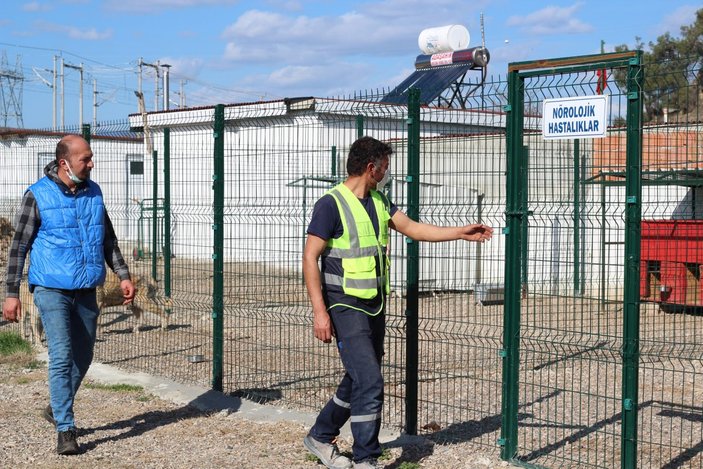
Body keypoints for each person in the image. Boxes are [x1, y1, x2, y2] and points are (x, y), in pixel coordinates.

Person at [302, 136, 493, 468]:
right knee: (372, 380)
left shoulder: (379, 201)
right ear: (371, 167)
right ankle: (366, 459)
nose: (387, 173)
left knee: (361, 375)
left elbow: (414, 229)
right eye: (386, 167)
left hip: (373, 303)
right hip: (343, 305)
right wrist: (319, 311)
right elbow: (309, 258)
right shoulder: (330, 204)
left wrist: (460, 232)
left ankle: (320, 435)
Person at [2, 134, 136, 455]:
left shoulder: (94, 193)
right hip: (51, 288)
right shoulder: (37, 195)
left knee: (84, 354)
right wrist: (11, 293)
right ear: (65, 163)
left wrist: (123, 275)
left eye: (90, 158)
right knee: (61, 355)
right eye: (85, 159)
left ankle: (55, 405)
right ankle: (66, 429)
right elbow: (19, 247)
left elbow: (108, 240)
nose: (91, 163)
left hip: (87, 288)